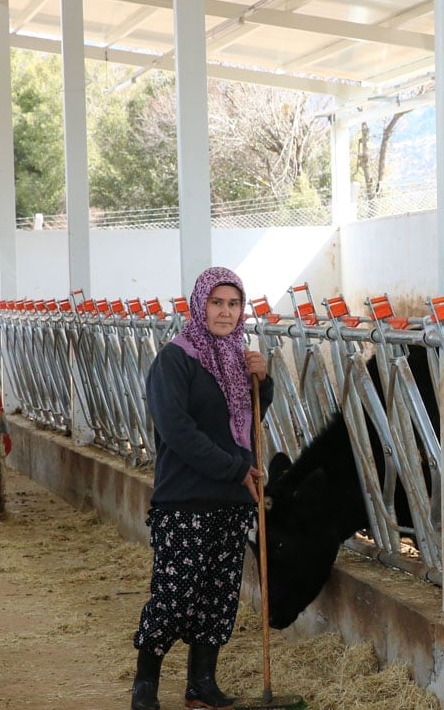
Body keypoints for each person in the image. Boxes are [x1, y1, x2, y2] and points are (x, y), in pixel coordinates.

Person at [130, 266, 273, 710]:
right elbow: (178, 430)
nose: (226, 312)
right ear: (199, 304)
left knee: (218, 595)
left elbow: (248, 425)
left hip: (232, 499)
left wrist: (263, 383)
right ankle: (145, 685)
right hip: (185, 497)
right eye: (217, 303)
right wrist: (234, 468)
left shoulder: (238, 360)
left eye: (233, 304)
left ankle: (201, 684)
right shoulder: (175, 359)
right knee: (175, 592)